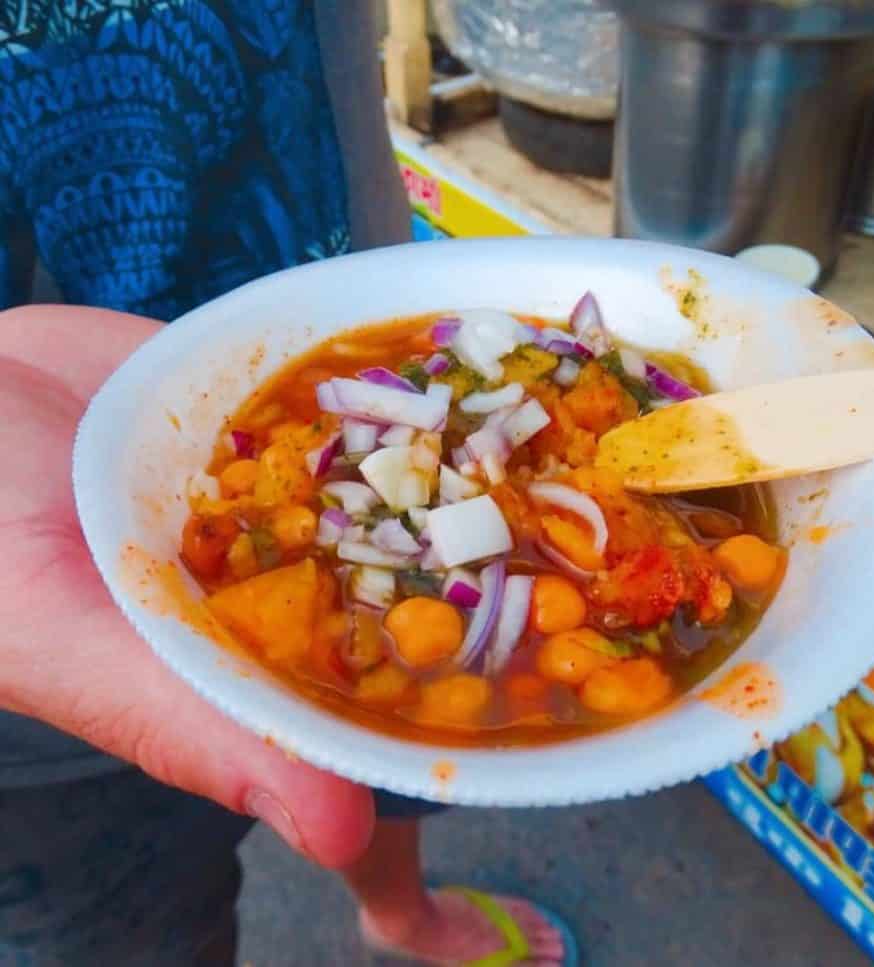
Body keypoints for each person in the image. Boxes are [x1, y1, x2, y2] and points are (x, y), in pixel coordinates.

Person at [0, 2, 569, 964]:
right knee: (128, 916)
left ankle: (398, 913)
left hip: (341, 272)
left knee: (399, 721)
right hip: (41, 502)